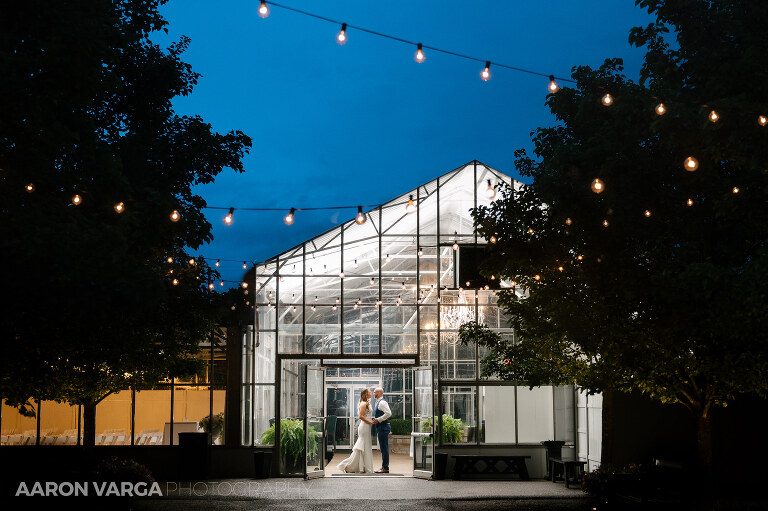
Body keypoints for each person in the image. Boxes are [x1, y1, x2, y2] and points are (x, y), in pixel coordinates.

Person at [336, 388, 374, 474]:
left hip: (367, 426)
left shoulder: (367, 403)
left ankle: (363, 466)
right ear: (365, 394)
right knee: (362, 447)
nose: (371, 393)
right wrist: (370, 422)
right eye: (369, 392)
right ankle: (348, 466)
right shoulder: (363, 403)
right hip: (364, 427)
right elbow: (361, 416)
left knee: (365, 447)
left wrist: (370, 422)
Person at [371, 387, 392, 473]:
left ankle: (385, 468)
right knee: (383, 448)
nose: (373, 393)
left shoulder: (382, 402)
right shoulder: (378, 402)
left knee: (384, 448)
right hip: (381, 427)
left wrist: (378, 419)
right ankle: (384, 466)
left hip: (383, 427)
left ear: (379, 393)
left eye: (375, 392)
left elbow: (389, 413)